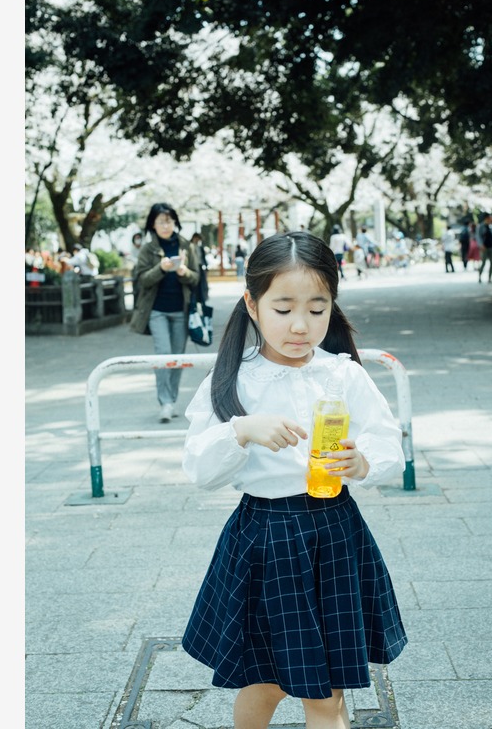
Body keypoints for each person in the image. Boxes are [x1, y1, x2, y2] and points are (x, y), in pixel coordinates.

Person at [179, 231, 407, 729]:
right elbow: (199, 468)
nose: (301, 325)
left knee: (326, 693)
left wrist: (363, 462)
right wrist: (241, 430)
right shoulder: (235, 379)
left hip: (335, 532)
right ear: (252, 305)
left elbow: (389, 442)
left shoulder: (342, 374)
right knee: (263, 684)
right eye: (283, 309)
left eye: (317, 308)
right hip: (265, 537)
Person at [130, 203, 201, 423]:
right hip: (156, 311)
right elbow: (142, 279)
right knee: (163, 355)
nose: (165, 225)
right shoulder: (148, 249)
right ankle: (165, 403)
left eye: (169, 221)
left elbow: (196, 278)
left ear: (175, 222)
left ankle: (171, 400)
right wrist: (161, 268)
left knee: (177, 358)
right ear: (153, 224)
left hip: (181, 310)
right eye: (160, 221)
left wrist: (183, 271)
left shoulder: (186, 246)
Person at [478, 215, 492, 283]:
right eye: (490, 219)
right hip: (484, 247)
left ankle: (490, 278)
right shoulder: (481, 226)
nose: (491, 220)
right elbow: (478, 236)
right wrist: (481, 245)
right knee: (483, 263)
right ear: (487, 219)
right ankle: (480, 276)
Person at [190, 232, 210, 303]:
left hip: (200, 267)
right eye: (197, 239)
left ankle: (202, 301)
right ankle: (193, 303)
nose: (197, 241)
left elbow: (203, 258)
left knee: (202, 285)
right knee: (193, 286)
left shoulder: (200, 247)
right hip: (192, 268)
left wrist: (206, 266)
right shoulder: (189, 246)